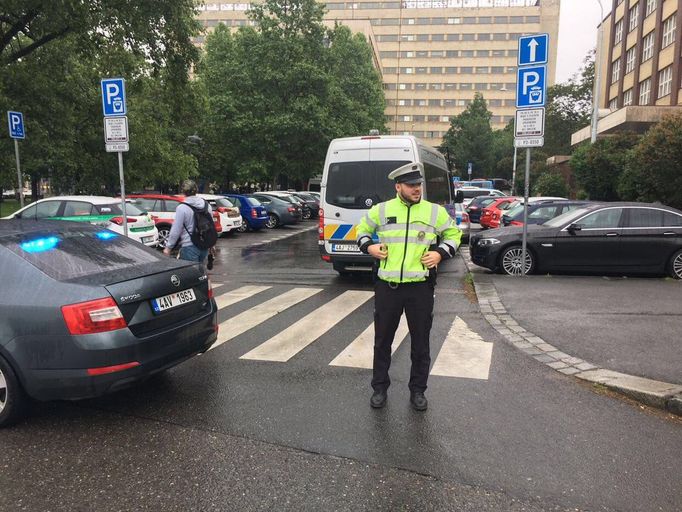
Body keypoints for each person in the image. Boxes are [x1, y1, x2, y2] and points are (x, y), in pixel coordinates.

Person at [356, 162, 462, 411]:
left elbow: (454, 234)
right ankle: (379, 388)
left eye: (419, 185)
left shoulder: (433, 212)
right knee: (382, 342)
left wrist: (440, 253)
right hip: (388, 287)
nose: (417, 189)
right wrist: (369, 247)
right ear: (398, 187)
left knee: (421, 343)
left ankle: (418, 391)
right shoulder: (382, 210)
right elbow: (361, 230)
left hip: (420, 289)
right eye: (412, 185)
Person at [163, 180, 213, 263]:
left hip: (189, 246)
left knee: (189, 274)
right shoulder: (207, 205)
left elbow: (176, 230)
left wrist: (168, 247)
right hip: (204, 245)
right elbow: (210, 227)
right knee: (200, 272)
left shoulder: (182, 207)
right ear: (196, 190)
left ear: (183, 191)